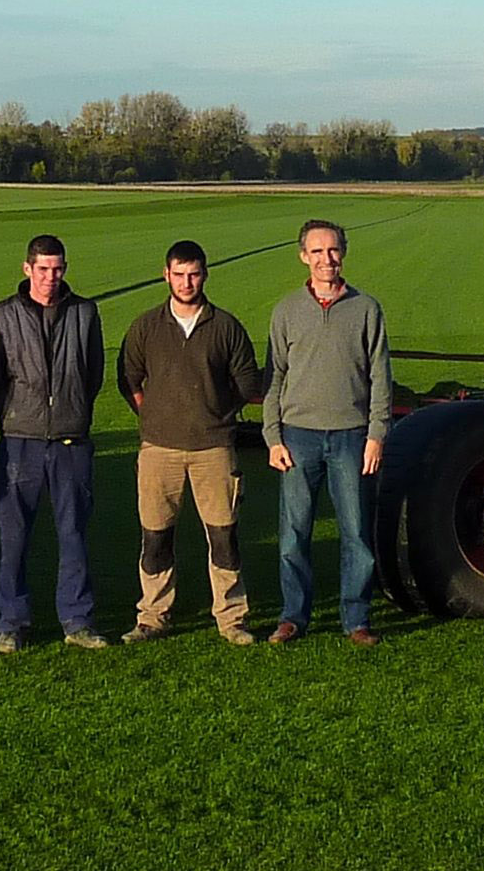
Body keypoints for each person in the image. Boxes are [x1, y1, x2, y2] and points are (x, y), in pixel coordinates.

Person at [114, 239, 265, 645]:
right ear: (166, 275)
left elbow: (248, 382)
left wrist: (217, 415)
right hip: (158, 449)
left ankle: (232, 619)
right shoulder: (146, 325)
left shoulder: (225, 326)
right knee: (155, 536)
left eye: (193, 274)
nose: (186, 282)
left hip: (213, 450)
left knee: (223, 536)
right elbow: (128, 378)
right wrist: (151, 415)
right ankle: (153, 616)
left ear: (205, 274)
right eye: (178, 274)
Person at [262, 219, 392, 647]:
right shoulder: (286, 310)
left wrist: (376, 435)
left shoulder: (366, 308)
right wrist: (272, 437)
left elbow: (380, 377)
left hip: (352, 436)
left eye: (333, 250)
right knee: (293, 535)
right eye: (317, 252)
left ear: (344, 253)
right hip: (298, 437)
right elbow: (274, 377)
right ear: (303, 256)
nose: (326, 260)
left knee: (356, 534)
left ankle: (356, 619)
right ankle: (292, 617)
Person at [0, 234, 107, 652]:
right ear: (27, 269)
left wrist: (72, 411)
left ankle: (77, 621)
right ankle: (11, 624)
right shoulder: (2, 316)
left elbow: (94, 376)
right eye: (43, 269)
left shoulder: (85, 314)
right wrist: (19, 417)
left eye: (57, 269)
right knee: (13, 538)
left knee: (73, 532)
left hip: (71, 440)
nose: (51, 277)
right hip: (21, 440)